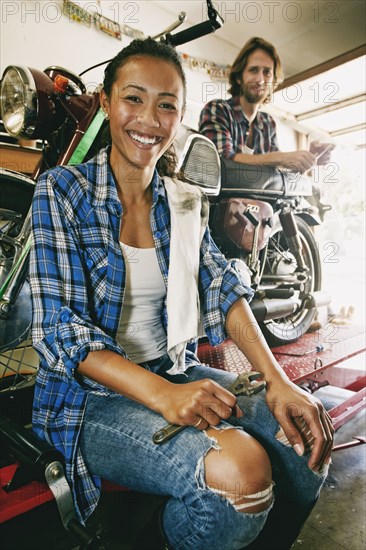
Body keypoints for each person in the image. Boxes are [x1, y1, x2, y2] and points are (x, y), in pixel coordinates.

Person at [30, 37, 333, 550]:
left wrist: (277, 380)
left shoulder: (181, 202)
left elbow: (222, 285)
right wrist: (165, 397)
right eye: (133, 98)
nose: (148, 119)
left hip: (174, 371)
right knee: (242, 473)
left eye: (166, 104)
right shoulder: (62, 191)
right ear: (106, 101)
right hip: (90, 401)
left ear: (180, 117)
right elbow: (61, 331)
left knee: (302, 434)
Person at [198, 36, 333, 174]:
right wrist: (280, 158)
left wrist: (309, 159)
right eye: (253, 70)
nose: (261, 80)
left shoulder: (268, 123)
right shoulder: (217, 110)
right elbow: (220, 160)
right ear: (239, 77)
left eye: (267, 72)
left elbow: (280, 174)